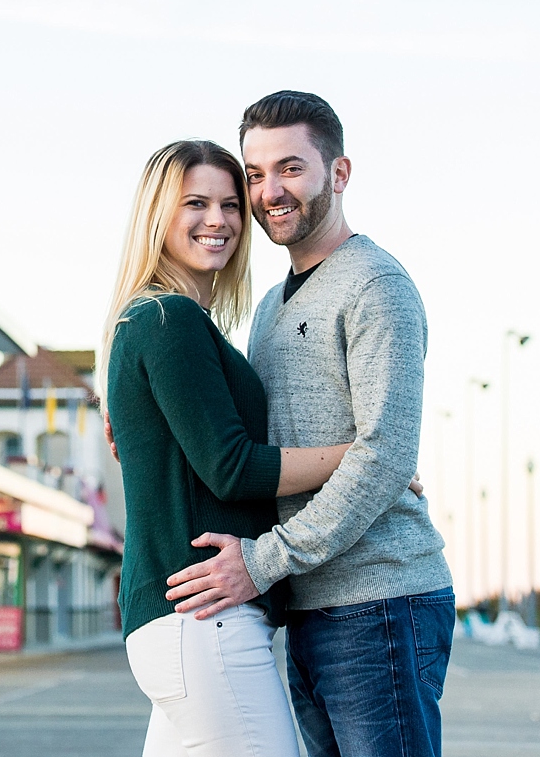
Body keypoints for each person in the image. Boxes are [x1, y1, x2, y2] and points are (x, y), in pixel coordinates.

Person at [101, 139, 419, 756]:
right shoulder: (171, 321)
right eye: (195, 203)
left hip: (179, 620)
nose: (217, 220)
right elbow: (233, 466)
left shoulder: (161, 321)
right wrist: (363, 456)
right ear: (156, 215)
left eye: (229, 203)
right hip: (202, 616)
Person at [163, 91, 454, 757]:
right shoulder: (269, 306)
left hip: (380, 601)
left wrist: (261, 562)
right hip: (306, 606)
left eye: (291, 168)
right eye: (256, 174)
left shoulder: (375, 284)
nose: (270, 192)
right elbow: (248, 444)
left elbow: (382, 457)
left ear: (339, 172)